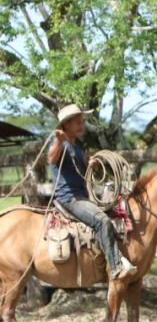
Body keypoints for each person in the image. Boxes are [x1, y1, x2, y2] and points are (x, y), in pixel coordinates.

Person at [46, 105, 137, 281]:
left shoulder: (76, 146)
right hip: (70, 198)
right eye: (77, 121)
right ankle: (116, 267)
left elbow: (77, 170)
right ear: (66, 124)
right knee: (102, 221)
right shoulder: (61, 144)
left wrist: (90, 164)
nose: (82, 124)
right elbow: (51, 158)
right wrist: (58, 140)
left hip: (81, 196)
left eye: (82, 121)